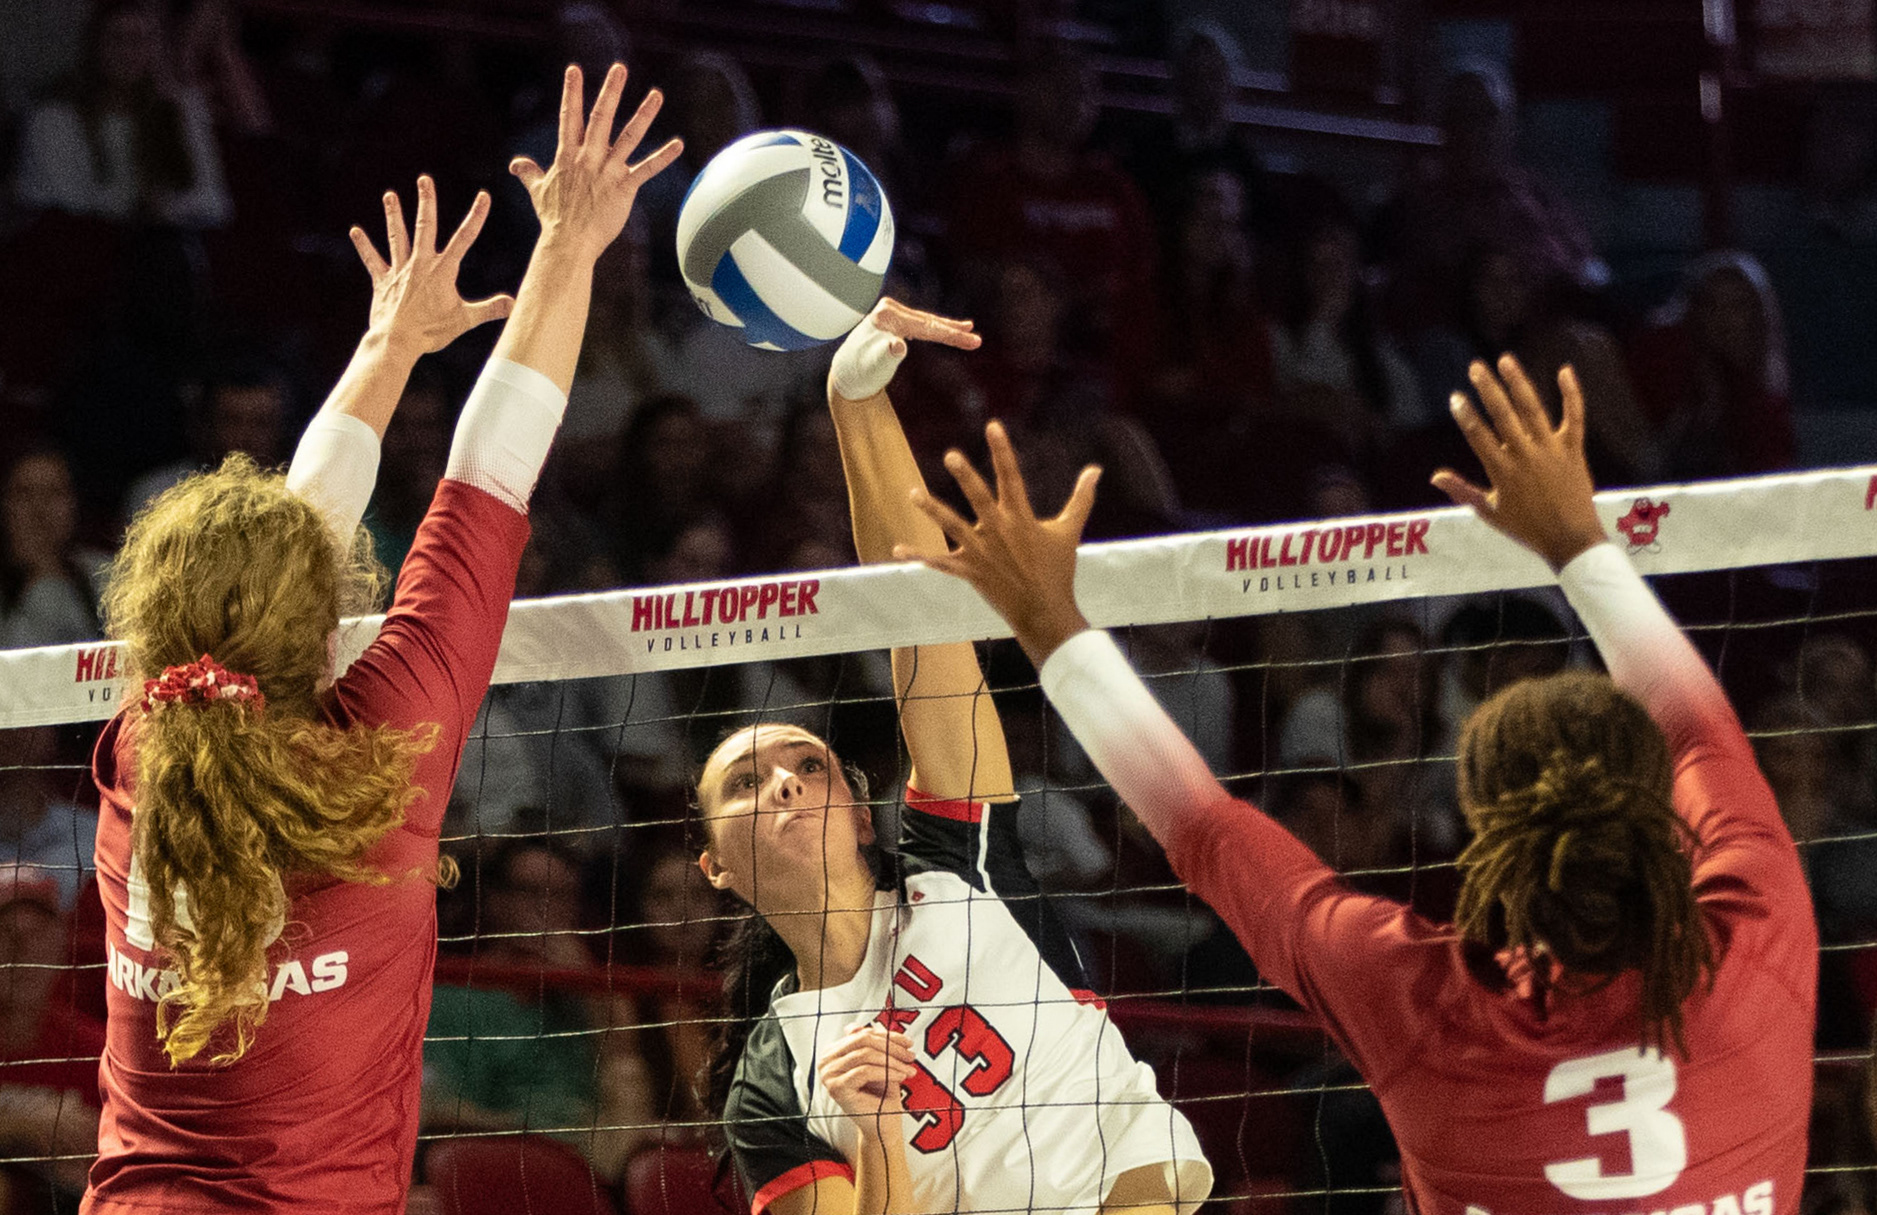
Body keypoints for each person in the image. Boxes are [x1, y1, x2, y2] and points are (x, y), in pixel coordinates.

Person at [908, 357, 1813, 1215]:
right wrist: (1580, 539)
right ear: (1660, 814)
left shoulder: (1419, 999)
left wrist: (1041, 616)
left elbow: (1204, 830)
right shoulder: (1754, 941)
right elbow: (1701, 729)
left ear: (1484, 828)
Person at [81, 63, 680, 1213]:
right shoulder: (385, 745)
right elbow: (486, 484)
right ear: (314, 610)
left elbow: (302, 541)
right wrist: (565, 250)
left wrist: (391, 345)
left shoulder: (138, 760)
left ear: (155, 632)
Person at [699, 299, 1213, 1215]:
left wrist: (857, 402)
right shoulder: (770, 1084)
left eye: (807, 764)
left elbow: (920, 620)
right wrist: (875, 1130)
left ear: (864, 813)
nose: (780, 779)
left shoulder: (957, 868)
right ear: (715, 866)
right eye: (745, 783)